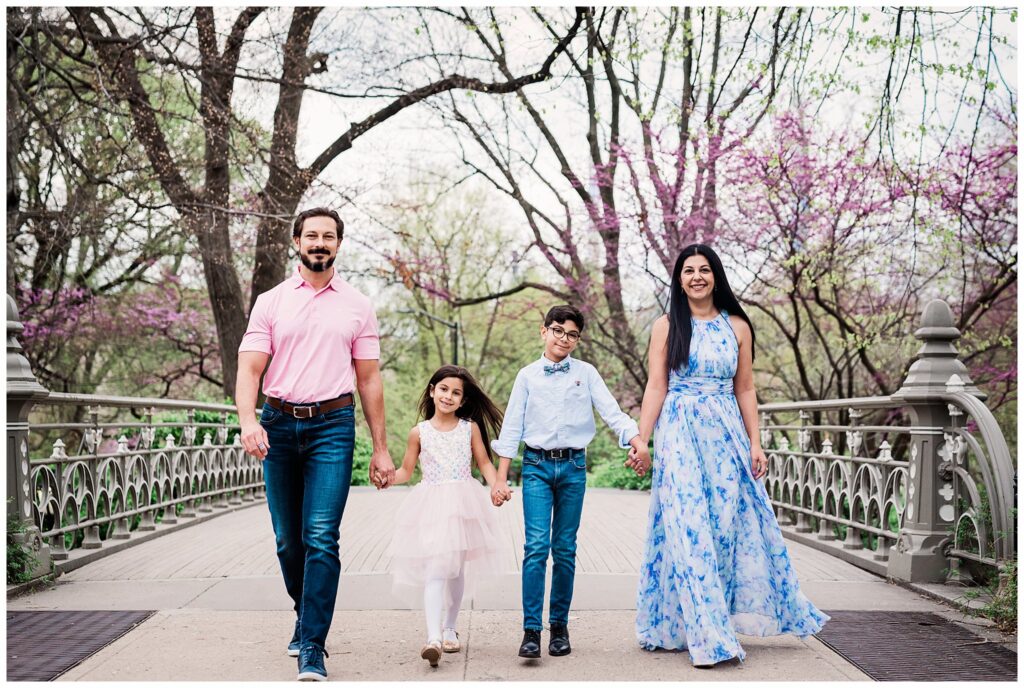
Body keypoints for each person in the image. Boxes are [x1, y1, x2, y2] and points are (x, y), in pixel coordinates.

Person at [626, 243, 828, 667]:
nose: (696, 276)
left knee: (721, 529)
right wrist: (643, 439)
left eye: (704, 269)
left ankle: (693, 622)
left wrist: (756, 441)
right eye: (688, 271)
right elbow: (656, 386)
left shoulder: (737, 325)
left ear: (715, 275)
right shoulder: (666, 325)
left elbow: (745, 389)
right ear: (678, 279)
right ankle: (709, 637)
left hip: (726, 437)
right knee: (688, 527)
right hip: (680, 432)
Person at [235, 207, 396, 682]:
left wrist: (381, 448)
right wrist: (249, 420)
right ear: (296, 242)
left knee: (321, 535)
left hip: (333, 425)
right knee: (289, 540)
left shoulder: (358, 305)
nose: (319, 243)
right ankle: (305, 615)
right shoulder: (271, 301)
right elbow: (249, 368)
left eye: (328, 236)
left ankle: (313, 645)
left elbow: (369, 380)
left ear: (339, 245)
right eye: (311, 236)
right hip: (279, 426)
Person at [491, 304, 646, 660]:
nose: (564, 338)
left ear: (578, 339)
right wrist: (500, 478)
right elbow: (511, 426)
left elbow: (611, 411)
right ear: (543, 331)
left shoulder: (586, 373)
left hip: (573, 467)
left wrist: (637, 441)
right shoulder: (527, 376)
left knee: (564, 550)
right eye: (558, 330)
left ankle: (558, 626)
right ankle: (532, 630)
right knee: (535, 547)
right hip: (536, 467)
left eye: (572, 334)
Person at [387, 365, 510, 668]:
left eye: (456, 392)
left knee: (455, 570)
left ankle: (450, 627)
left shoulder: (470, 428)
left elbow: (483, 462)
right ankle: (432, 638)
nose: (448, 396)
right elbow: (406, 470)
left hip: (464, 503)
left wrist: (497, 485)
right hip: (430, 505)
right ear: (432, 391)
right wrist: (388, 478)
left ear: (463, 400)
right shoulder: (419, 432)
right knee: (436, 570)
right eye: (443, 389)